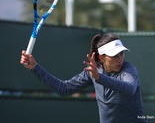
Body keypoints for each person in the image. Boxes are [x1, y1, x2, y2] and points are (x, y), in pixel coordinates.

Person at [20, 33, 148, 123]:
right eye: (114, 55)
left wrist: (99, 78)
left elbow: (130, 88)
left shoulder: (129, 69)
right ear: (102, 57)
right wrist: (34, 67)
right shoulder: (93, 72)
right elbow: (63, 88)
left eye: (121, 53)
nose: (120, 58)